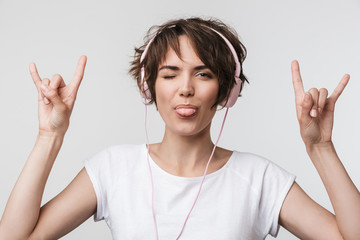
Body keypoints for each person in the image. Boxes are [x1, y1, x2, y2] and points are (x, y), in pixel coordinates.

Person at [0, 17, 359, 240]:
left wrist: (321, 147)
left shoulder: (259, 178)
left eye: (202, 74)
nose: (185, 88)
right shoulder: (113, 169)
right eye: (170, 74)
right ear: (149, 87)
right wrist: (49, 137)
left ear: (226, 91)